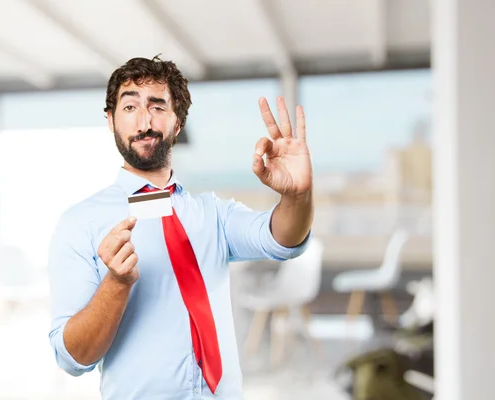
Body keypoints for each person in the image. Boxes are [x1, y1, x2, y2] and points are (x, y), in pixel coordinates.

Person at [47, 56, 314, 399]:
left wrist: (297, 196)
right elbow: (73, 358)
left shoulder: (214, 214)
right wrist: (116, 283)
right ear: (111, 120)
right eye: (129, 107)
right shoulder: (79, 223)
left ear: (177, 123)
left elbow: (283, 239)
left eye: (158, 107)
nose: (144, 120)